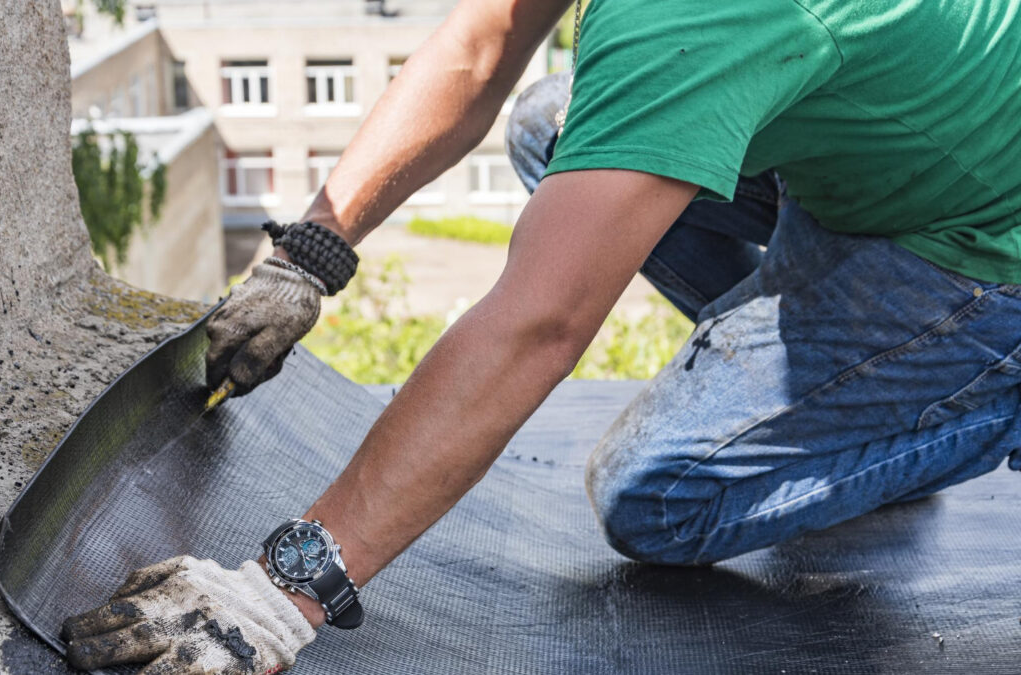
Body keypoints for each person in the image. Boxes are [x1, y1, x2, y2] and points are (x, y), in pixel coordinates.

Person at [61, 0, 1021, 671]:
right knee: (557, 127)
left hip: (979, 252)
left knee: (658, 499)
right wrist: (308, 254)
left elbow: (540, 324)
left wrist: (285, 590)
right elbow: (478, 48)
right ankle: (843, 379)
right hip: (903, 147)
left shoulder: (699, 17)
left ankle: (955, 393)